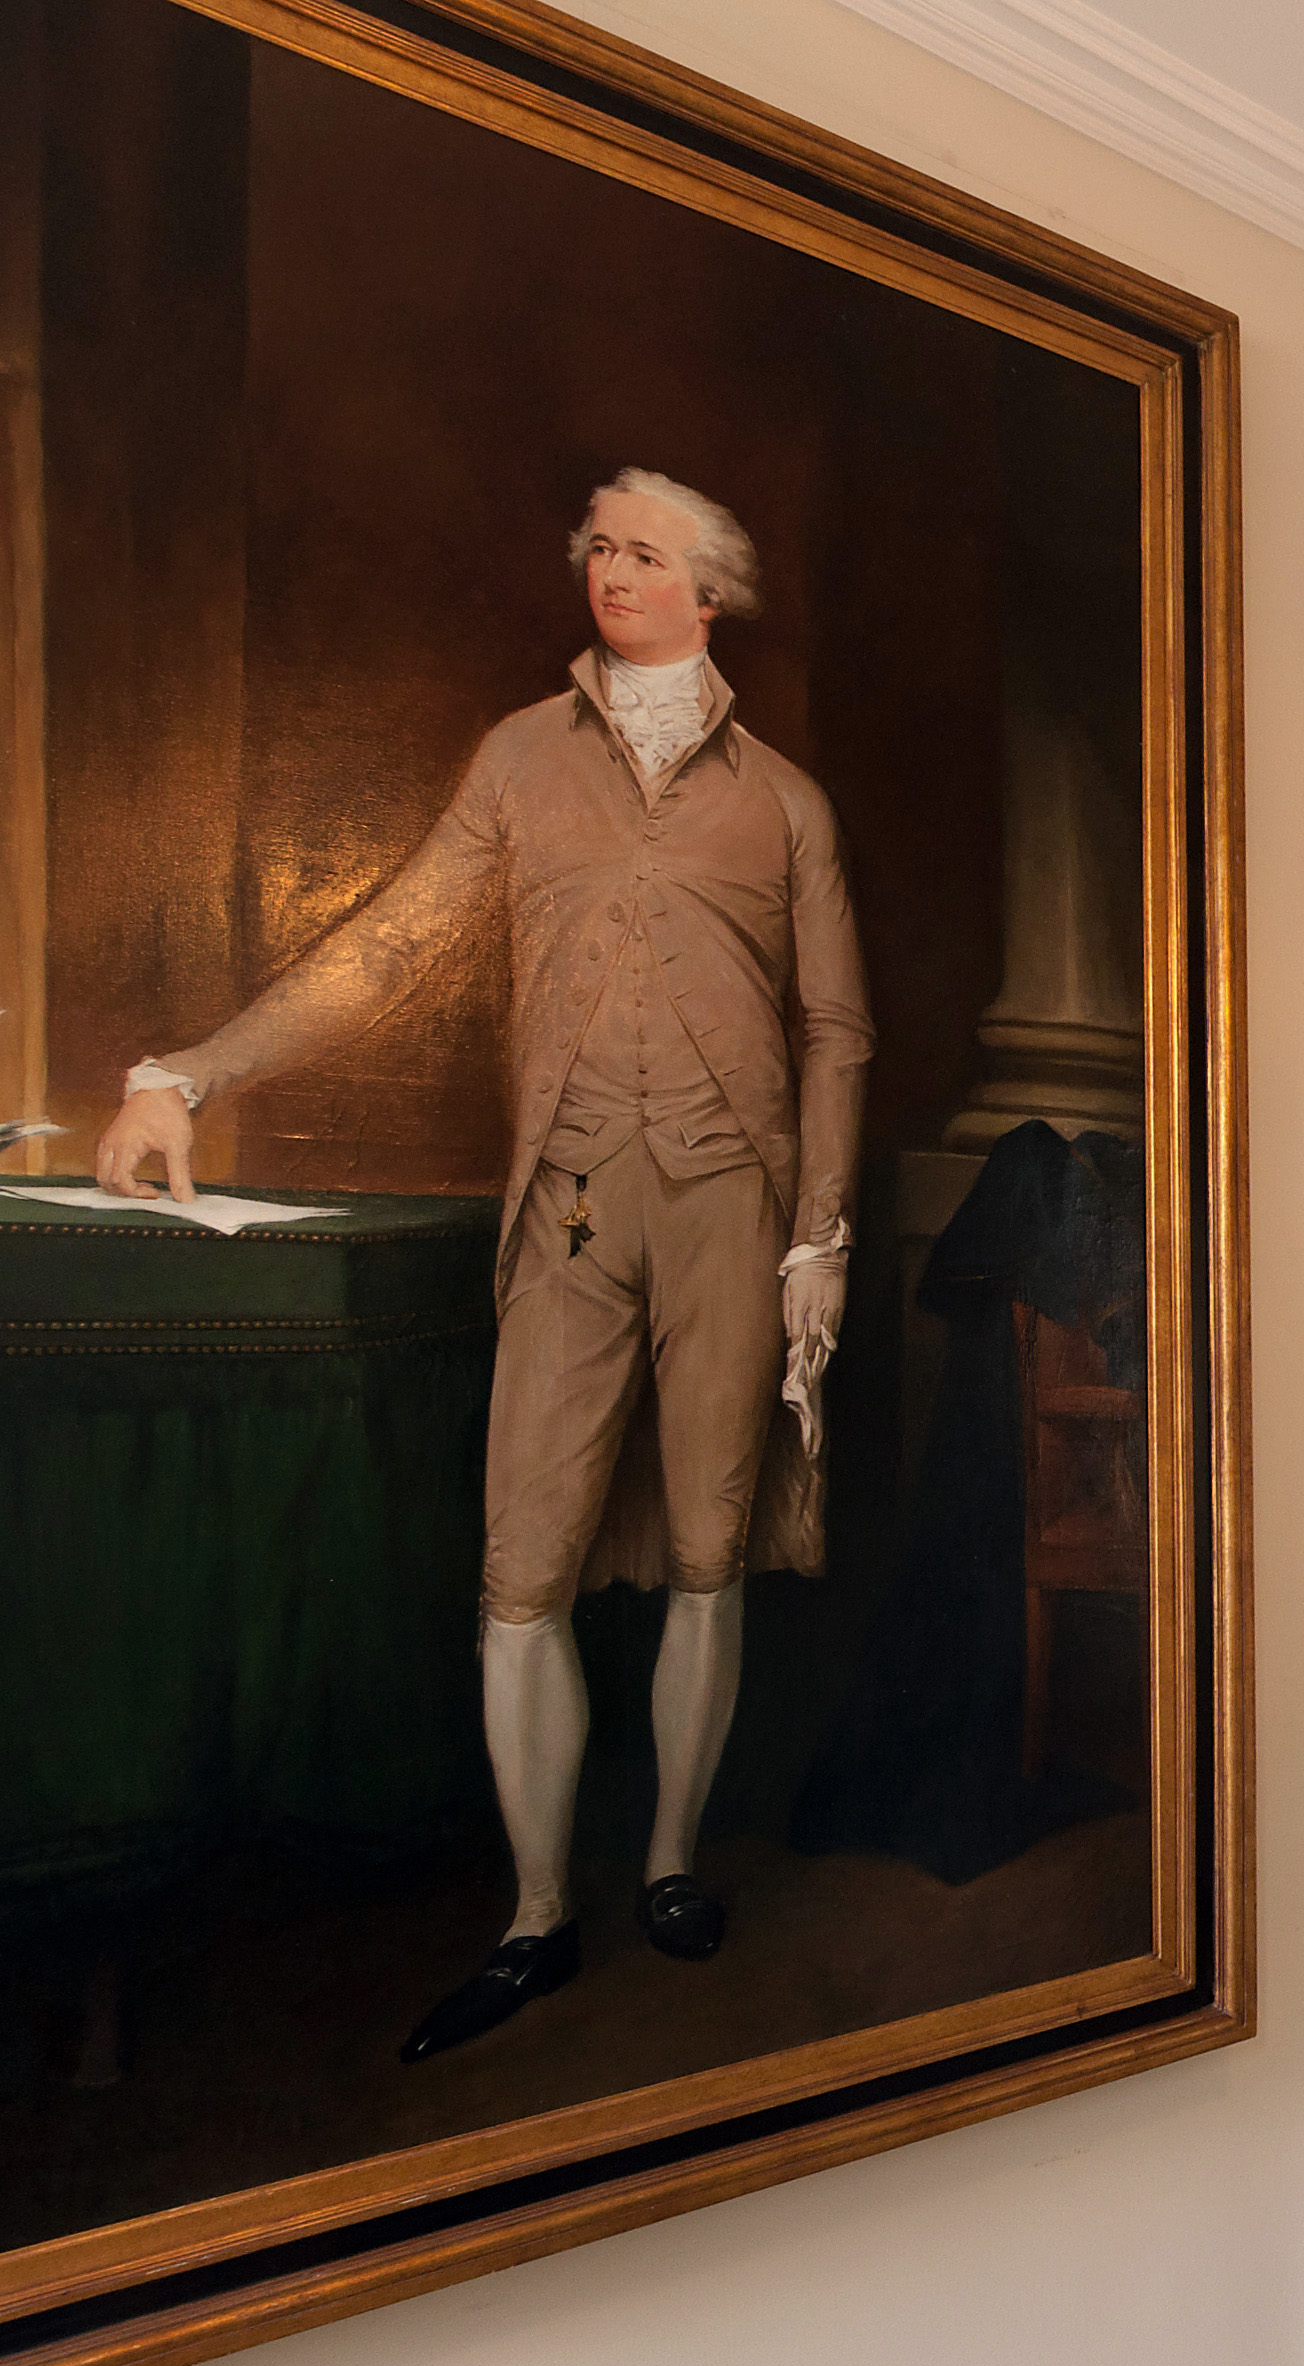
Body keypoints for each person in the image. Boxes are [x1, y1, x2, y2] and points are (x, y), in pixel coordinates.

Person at [89, 468, 872, 2059]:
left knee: (711, 1547)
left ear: (708, 591)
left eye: (644, 553)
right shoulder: (521, 756)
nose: (609, 571)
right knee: (524, 1570)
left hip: (735, 1203)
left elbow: (835, 1032)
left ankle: (664, 1869)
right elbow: (386, 943)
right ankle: (535, 1912)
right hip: (570, 1204)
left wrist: (821, 1236)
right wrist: (188, 1069)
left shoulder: (786, 801)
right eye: (597, 546)